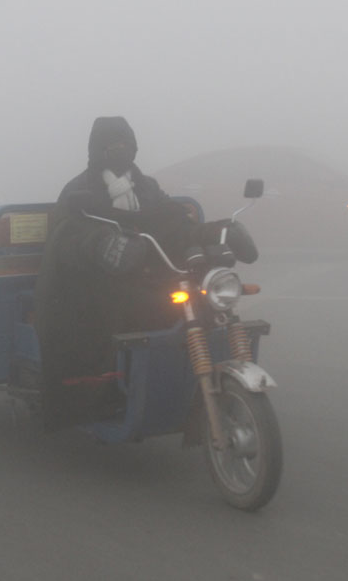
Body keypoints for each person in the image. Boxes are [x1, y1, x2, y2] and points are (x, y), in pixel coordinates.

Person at [33, 116, 254, 430]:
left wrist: (215, 232)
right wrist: (101, 245)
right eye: (111, 145)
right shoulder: (80, 190)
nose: (120, 151)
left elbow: (172, 222)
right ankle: (106, 393)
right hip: (90, 285)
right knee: (125, 309)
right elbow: (65, 238)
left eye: (125, 144)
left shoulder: (146, 187)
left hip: (147, 274)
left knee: (200, 301)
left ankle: (189, 382)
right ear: (97, 149)